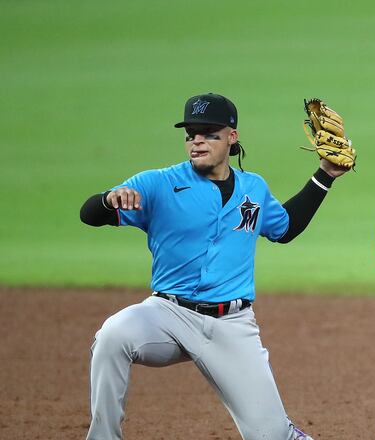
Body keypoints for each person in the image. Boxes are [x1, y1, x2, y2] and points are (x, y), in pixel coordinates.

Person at [79, 93, 350, 439]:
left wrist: (325, 175)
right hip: (168, 315)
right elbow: (89, 215)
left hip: (232, 325)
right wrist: (107, 200)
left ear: (231, 137)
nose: (197, 141)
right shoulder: (157, 184)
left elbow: (284, 229)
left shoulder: (253, 188)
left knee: (271, 435)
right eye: (191, 133)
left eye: (209, 133)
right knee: (114, 335)